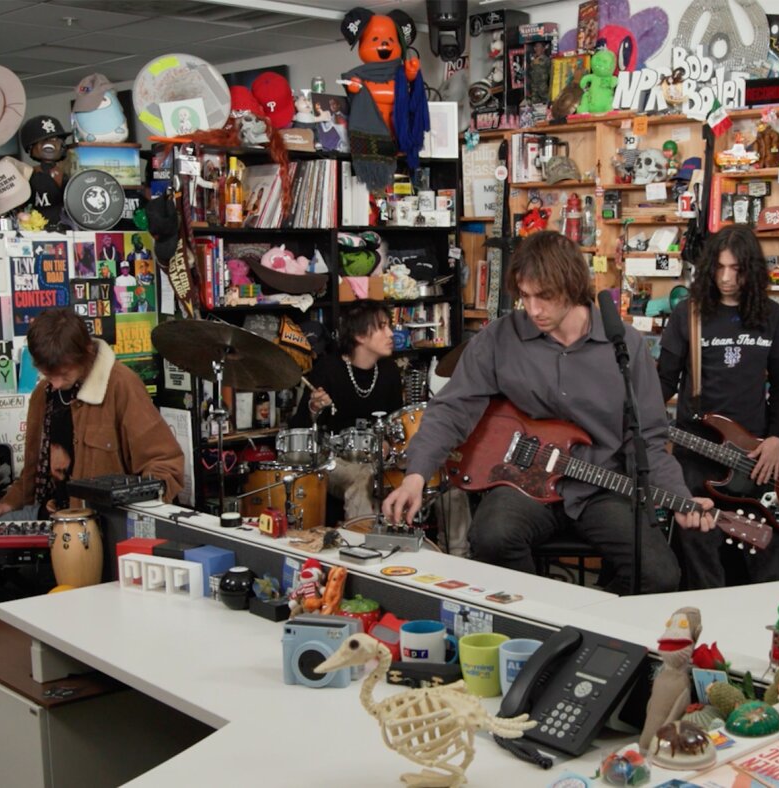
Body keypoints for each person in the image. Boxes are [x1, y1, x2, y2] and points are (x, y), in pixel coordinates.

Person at [382, 230, 712, 594]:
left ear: (572, 287)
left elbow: (649, 438)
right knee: (491, 537)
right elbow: (452, 408)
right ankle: (538, 622)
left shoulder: (624, 345)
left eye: (545, 296)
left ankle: (598, 627)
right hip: (521, 484)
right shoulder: (500, 338)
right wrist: (416, 474)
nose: (533, 309)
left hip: (599, 487)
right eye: (525, 296)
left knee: (660, 573)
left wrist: (679, 494)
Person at [657, 226, 779, 589]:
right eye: (719, 268)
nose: (726, 278)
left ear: (751, 269)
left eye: (736, 269)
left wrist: (777, 439)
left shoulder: (773, 317)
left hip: (754, 459)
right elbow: (663, 383)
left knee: (768, 555)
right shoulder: (688, 315)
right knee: (701, 554)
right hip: (697, 456)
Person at [0, 309, 185, 521]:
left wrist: (132, 515)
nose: (56, 383)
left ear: (86, 353)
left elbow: (165, 463)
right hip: (52, 514)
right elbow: (32, 473)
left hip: (98, 524)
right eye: (48, 374)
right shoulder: (43, 393)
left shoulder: (122, 385)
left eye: (63, 374)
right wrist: (9, 502)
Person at [291, 300, 403, 522]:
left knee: (438, 474)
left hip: (377, 459)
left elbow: (396, 421)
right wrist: (313, 407)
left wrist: (389, 443)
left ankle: (459, 553)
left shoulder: (389, 370)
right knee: (363, 478)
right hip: (335, 461)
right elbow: (299, 429)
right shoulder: (328, 369)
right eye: (382, 327)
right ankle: (361, 546)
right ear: (360, 336)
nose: (391, 333)